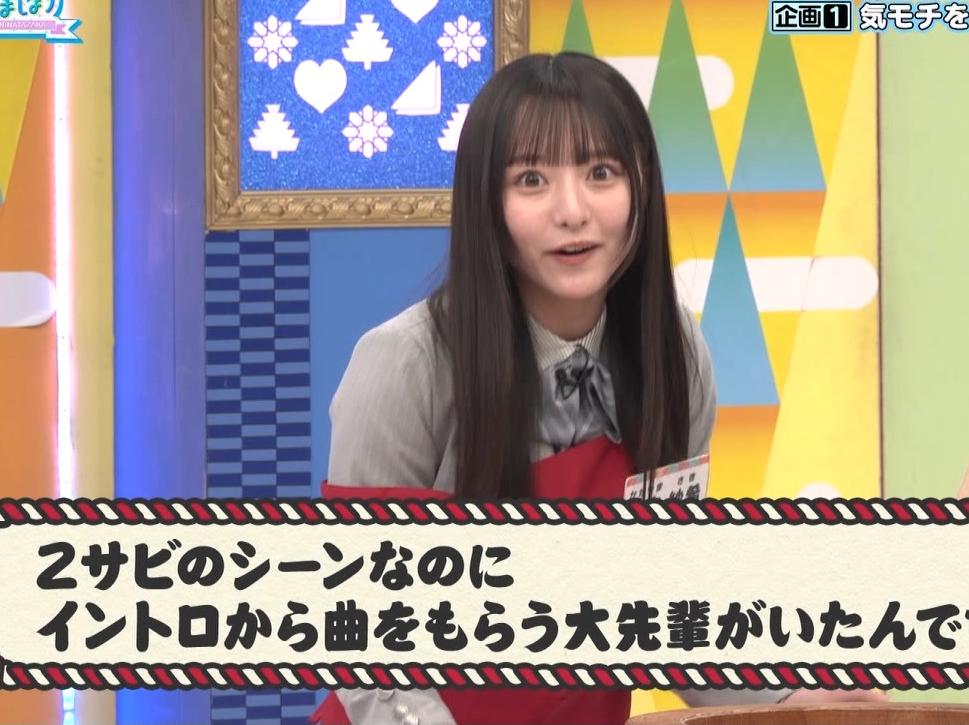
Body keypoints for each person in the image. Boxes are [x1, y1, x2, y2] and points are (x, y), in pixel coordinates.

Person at [309, 52, 883, 725]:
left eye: (601, 173)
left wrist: (786, 700)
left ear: (642, 188)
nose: (573, 211)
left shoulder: (674, 353)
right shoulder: (404, 364)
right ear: (486, 203)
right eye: (531, 179)